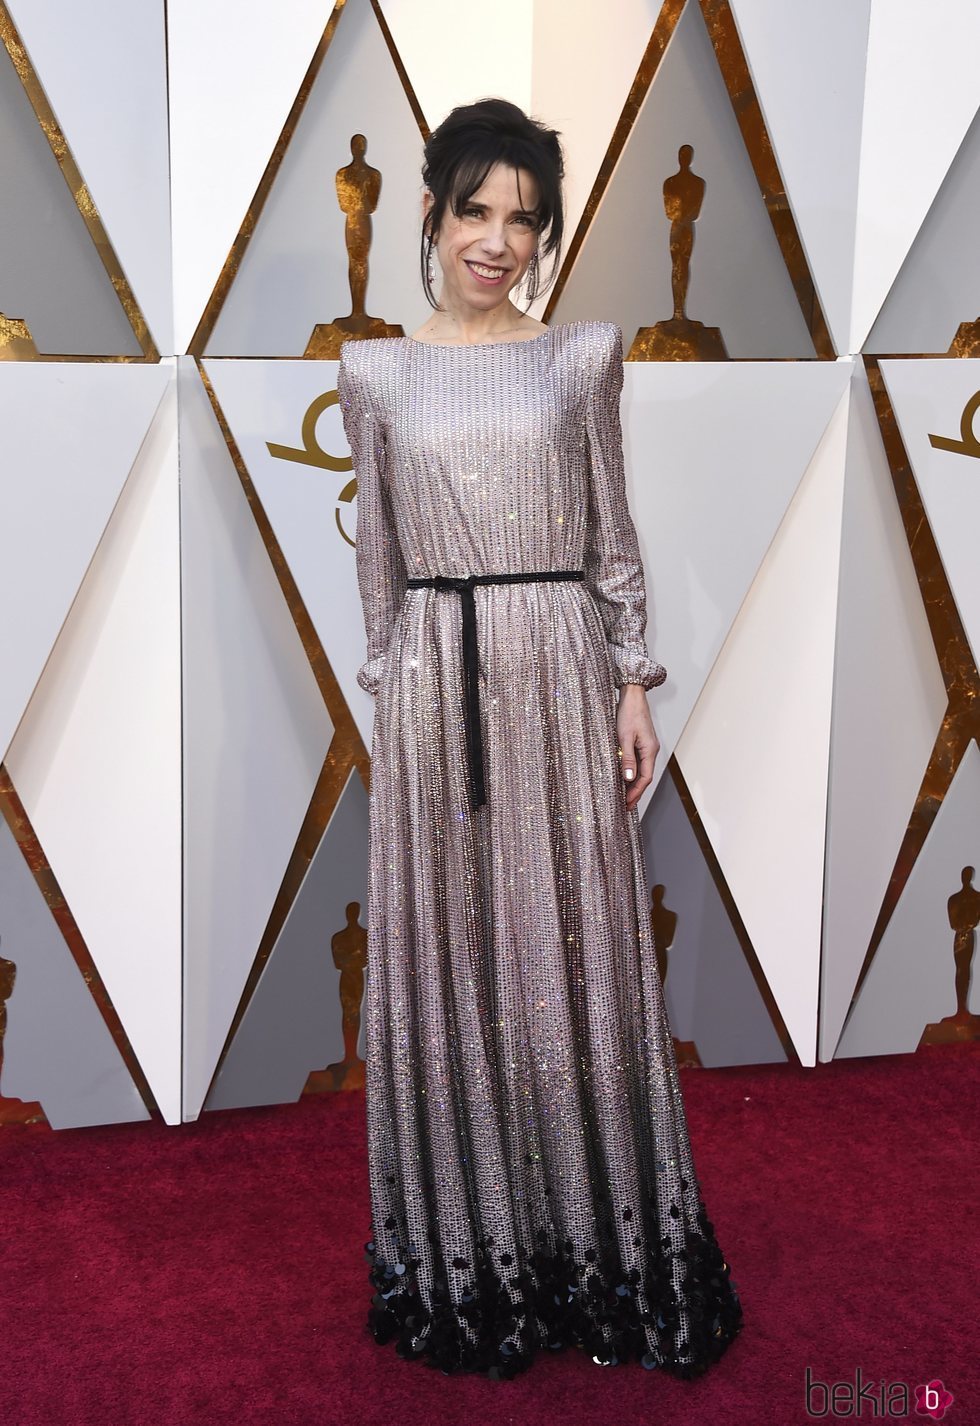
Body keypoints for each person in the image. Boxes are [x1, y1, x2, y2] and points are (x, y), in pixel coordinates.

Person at [337, 97, 743, 1381]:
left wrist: (632, 680)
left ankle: (598, 1247)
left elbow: (610, 535)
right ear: (431, 213)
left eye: (523, 217)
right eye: (476, 211)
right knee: (450, 961)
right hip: (428, 691)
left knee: (565, 953)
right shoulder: (374, 373)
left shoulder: (579, 358)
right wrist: (395, 703)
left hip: (560, 670)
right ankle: (473, 1253)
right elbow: (382, 580)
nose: (499, 240)